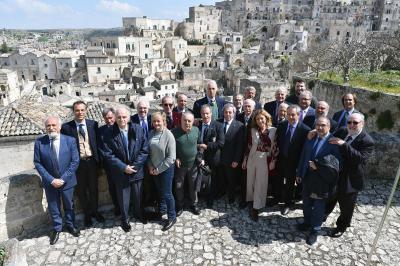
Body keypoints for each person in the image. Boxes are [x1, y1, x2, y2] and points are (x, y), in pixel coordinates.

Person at [326, 113, 374, 238]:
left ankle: (342, 226)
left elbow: (359, 158)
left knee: (346, 206)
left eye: (355, 123)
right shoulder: (342, 131)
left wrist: (344, 144)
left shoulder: (367, 141)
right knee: (330, 197)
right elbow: (328, 138)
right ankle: (322, 215)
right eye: (349, 122)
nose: (351, 125)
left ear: (362, 124)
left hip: (351, 179)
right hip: (336, 174)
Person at [101, 107, 149, 232]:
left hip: (136, 170)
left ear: (128, 118)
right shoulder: (109, 133)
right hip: (120, 172)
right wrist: (123, 167)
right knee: (123, 198)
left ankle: (139, 214)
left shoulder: (138, 129)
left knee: (138, 195)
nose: (122, 119)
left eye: (124, 117)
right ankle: (125, 219)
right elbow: (108, 154)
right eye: (119, 117)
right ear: (115, 118)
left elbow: (144, 149)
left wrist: (135, 166)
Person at [34, 115, 80, 245]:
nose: (51, 128)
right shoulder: (39, 142)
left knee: (69, 205)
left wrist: (63, 179)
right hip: (50, 183)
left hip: (68, 181)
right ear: (45, 128)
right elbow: (37, 163)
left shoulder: (70, 140)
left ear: (59, 126)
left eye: (54, 125)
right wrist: (51, 180)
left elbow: (75, 161)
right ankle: (57, 228)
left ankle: (71, 225)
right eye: (48, 126)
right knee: (54, 206)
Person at [296, 117, 341, 245]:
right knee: (306, 202)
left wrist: (318, 167)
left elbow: (336, 165)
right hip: (307, 177)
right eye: (318, 125)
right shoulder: (311, 137)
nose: (320, 128)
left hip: (322, 181)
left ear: (329, 127)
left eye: (323, 125)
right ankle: (306, 222)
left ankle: (315, 230)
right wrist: (299, 172)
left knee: (318, 206)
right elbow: (304, 155)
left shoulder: (333, 142)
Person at [61, 101, 105, 227]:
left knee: (93, 189)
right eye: (77, 110)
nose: (80, 113)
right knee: (81, 191)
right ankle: (87, 214)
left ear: (86, 111)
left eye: (82, 110)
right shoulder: (66, 128)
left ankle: (95, 211)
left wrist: (100, 163)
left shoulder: (93, 124)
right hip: (77, 164)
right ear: (73, 112)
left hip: (92, 162)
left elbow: (97, 144)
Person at [242, 109, 278, 221]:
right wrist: (245, 159)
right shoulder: (253, 130)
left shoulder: (273, 130)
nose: (259, 121)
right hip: (252, 157)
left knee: (260, 183)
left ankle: (256, 207)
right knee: (251, 181)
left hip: (264, 159)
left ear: (266, 118)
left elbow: (276, 147)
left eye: (261, 118)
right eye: (257, 119)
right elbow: (248, 146)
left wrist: (273, 161)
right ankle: (251, 201)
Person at [276, 105, 310, 214]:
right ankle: (276, 198)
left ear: (299, 115)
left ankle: (287, 204)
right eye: (288, 114)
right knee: (278, 180)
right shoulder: (281, 125)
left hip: (294, 162)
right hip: (281, 159)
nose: (290, 117)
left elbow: (305, 150)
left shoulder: (305, 130)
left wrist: (299, 167)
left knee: (290, 184)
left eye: (293, 115)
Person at [147, 112, 177, 231]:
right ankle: (162, 211)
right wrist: (150, 167)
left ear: (163, 121)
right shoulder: (151, 133)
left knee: (167, 193)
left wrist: (158, 170)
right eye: (154, 121)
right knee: (160, 192)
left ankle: (172, 216)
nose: (156, 123)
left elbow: (171, 157)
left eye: (158, 121)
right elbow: (148, 153)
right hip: (154, 169)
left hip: (166, 169)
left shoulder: (168, 135)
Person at [172, 112, 200, 216]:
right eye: (185, 120)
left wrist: (200, 156)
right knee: (179, 186)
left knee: (193, 185)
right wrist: (176, 158)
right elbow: (170, 149)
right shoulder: (174, 132)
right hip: (180, 166)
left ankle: (194, 204)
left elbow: (200, 145)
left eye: (189, 121)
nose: (187, 123)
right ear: (181, 120)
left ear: (192, 122)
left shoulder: (196, 130)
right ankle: (180, 205)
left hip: (193, 165)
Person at [197, 104, 225, 207]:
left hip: (213, 157)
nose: (205, 116)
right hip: (200, 156)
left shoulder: (218, 125)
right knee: (200, 177)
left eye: (207, 113)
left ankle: (210, 198)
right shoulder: (197, 125)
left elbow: (221, 143)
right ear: (200, 114)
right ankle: (201, 194)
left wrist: (206, 146)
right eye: (203, 114)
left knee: (213, 179)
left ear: (211, 114)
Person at [217, 103, 244, 203]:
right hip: (219, 157)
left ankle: (231, 196)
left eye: (230, 112)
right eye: (225, 112)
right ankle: (221, 192)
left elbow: (240, 145)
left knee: (231, 179)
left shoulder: (239, 126)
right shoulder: (218, 122)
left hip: (231, 158)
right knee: (220, 177)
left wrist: (236, 160)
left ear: (234, 113)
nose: (227, 114)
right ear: (223, 113)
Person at [98, 107, 120, 216]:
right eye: (106, 118)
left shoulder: (120, 126)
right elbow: (100, 147)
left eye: (111, 118)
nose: (109, 120)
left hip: (122, 163)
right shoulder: (101, 130)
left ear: (115, 117)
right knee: (112, 187)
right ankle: (117, 206)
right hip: (109, 165)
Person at [236, 99, 256, 208]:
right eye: (245, 106)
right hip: (240, 150)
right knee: (242, 175)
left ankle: (250, 198)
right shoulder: (239, 116)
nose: (247, 108)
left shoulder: (256, 118)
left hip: (252, 151)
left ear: (253, 108)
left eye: (249, 106)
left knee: (251, 176)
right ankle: (243, 197)